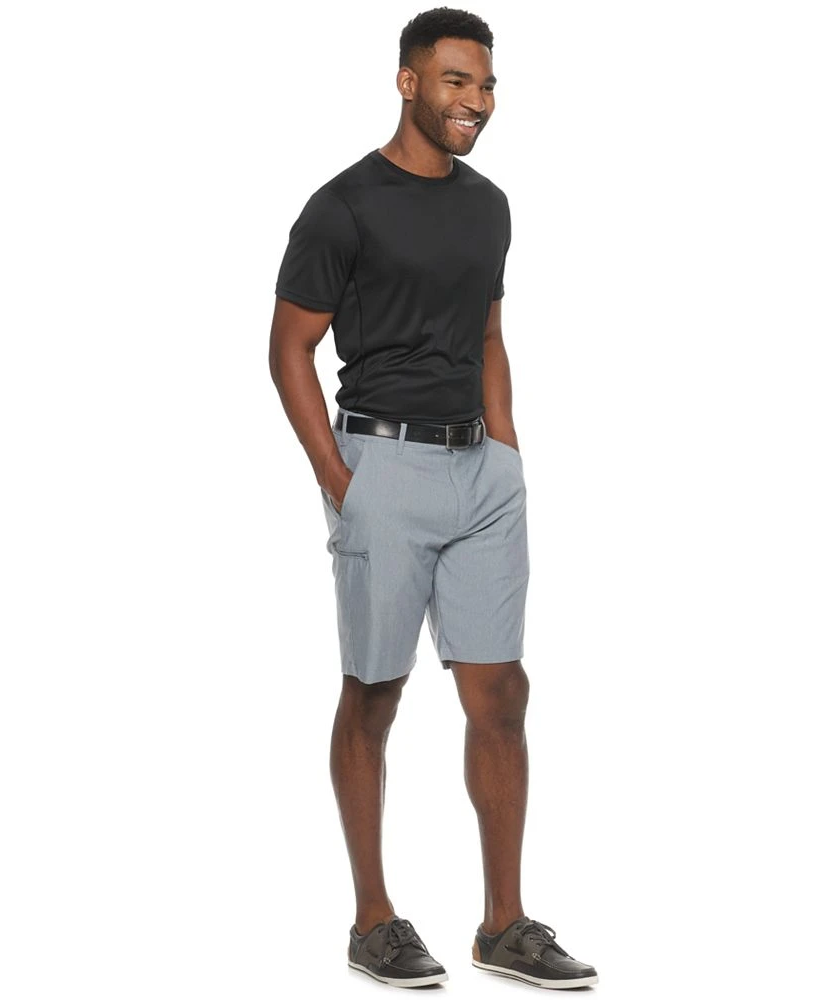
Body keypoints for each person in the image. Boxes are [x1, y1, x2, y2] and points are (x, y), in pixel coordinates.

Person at [269, 8, 597, 990]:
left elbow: (488, 331)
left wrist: (506, 446)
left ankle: (504, 924)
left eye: (486, 84)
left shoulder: (489, 205)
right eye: (457, 81)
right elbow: (288, 349)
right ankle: (373, 920)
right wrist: (340, 482)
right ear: (408, 82)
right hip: (384, 466)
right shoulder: (343, 206)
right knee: (374, 691)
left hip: (480, 474)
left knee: (502, 693)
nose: (476, 102)